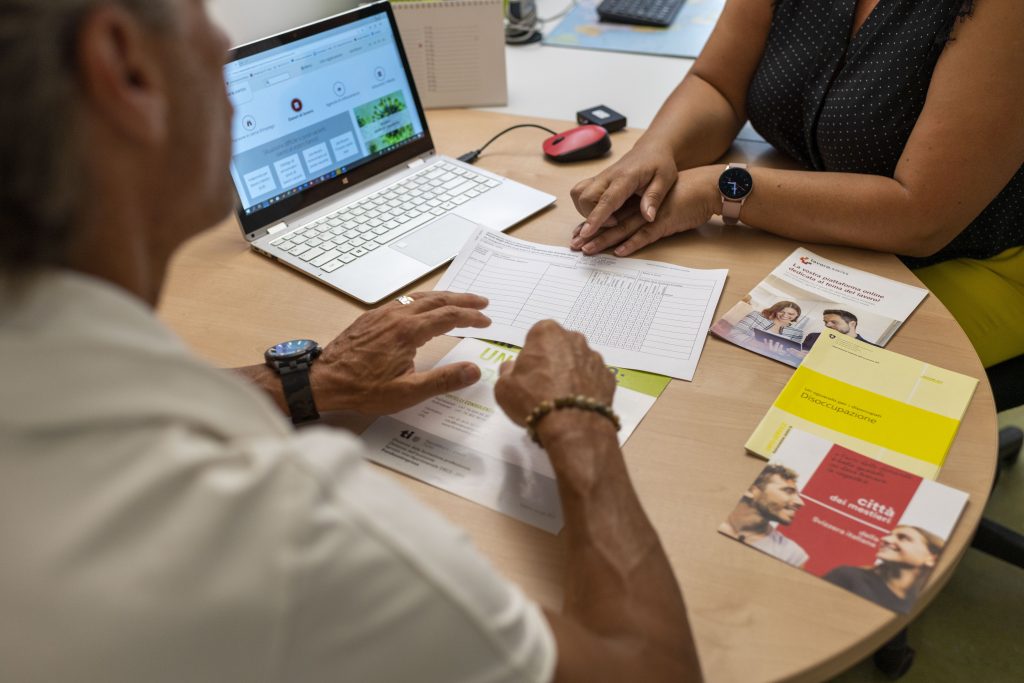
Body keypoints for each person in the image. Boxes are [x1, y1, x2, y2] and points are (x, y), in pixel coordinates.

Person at [0, 2, 702, 681]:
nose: (223, 48)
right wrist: (577, 418)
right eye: (199, 12)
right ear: (124, 69)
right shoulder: (287, 533)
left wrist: (303, 381)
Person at [568, 0, 1024, 370]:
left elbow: (921, 217)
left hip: (973, 261)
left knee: (777, 378)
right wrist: (656, 151)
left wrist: (721, 188)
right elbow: (718, 85)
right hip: (817, 231)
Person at [824, 526, 944, 614]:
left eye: (903, 538)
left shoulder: (924, 603)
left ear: (931, 559)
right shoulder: (848, 576)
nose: (886, 539)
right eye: (889, 535)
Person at [718, 464, 809, 568]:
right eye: (788, 491)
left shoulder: (793, 555)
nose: (801, 502)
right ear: (751, 491)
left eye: (797, 495)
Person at [726, 300, 804, 345]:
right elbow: (734, 332)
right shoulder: (757, 316)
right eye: (781, 311)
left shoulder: (797, 333)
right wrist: (760, 345)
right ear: (775, 310)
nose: (785, 315)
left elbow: (792, 351)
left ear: (797, 316)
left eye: (790, 314)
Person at [801, 309, 872, 352]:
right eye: (826, 322)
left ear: (852, 324)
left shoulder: (871, 348)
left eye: (834, 322)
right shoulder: (813, 336)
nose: (827, 325)